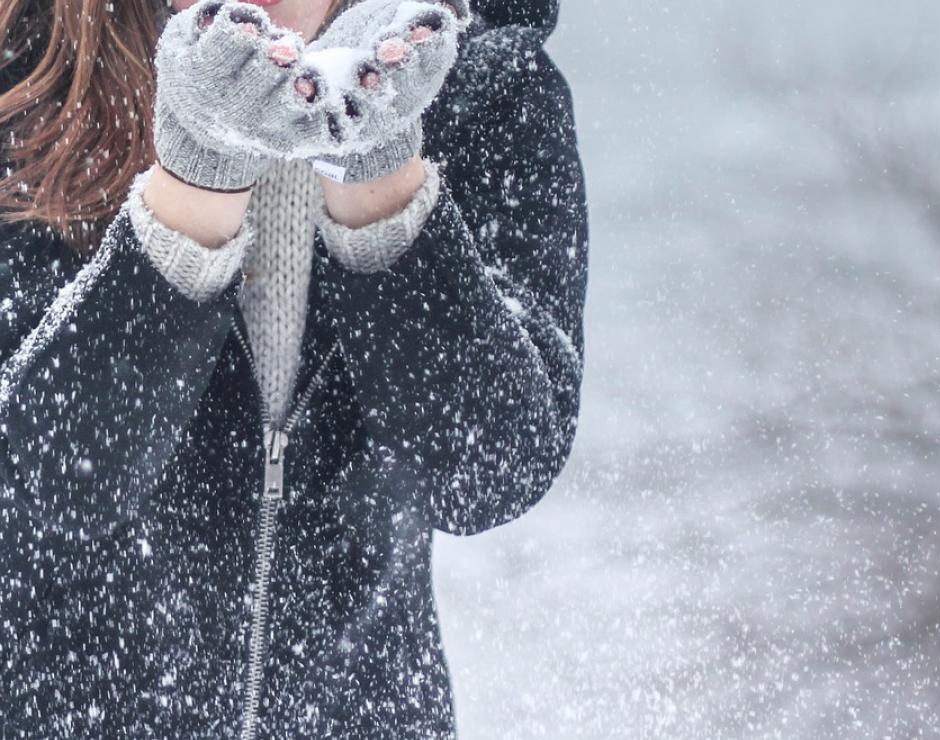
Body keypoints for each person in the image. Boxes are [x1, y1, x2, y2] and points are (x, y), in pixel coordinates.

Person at [0, 0, 587, 734]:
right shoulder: (26, 78)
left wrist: (378, 179)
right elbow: (39, 489)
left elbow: (490, 470)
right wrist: (196, 181)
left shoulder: (487, 86)